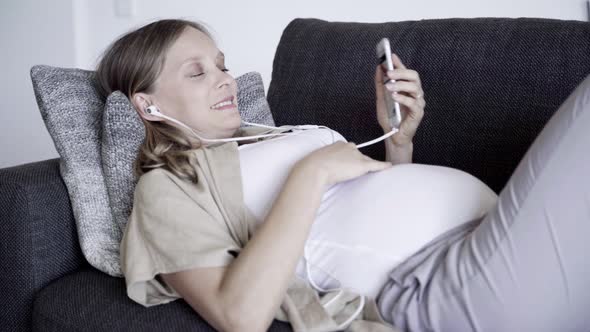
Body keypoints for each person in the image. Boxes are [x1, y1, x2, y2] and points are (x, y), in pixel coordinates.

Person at [96, 18, 590, 332]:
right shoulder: (168, 186)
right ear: (148, 103)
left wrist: (398, 140)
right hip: (443, 283)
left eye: (221, 66)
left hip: (493, 232)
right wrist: (311, 174)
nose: (225, 78)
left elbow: (368, 211)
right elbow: (238, 316)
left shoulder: (264, 137)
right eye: (197, 72)